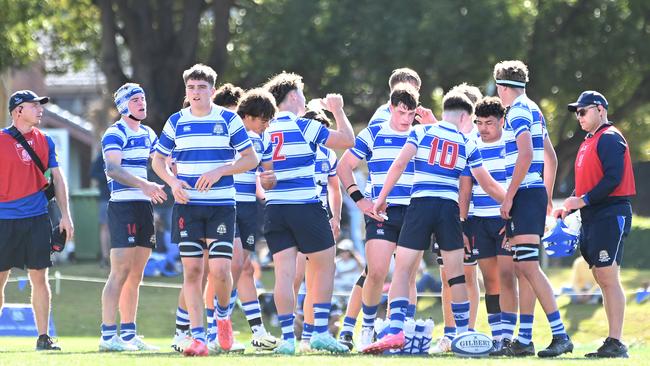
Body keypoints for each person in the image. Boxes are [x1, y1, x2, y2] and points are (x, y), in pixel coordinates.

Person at [362, 91, 506, 354]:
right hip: (448, 210)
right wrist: (512, 203)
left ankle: (395, 330)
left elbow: (399, 164)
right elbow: (484, 183)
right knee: (456, 276)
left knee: (404, 270)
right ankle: (462, 335)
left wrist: (381, 198)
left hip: (420, 205)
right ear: (465, 116)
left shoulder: (420, 132)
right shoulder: (467, 142)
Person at [152, 64, 259, 356]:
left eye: (201, 87)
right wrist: (172, 183)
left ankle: (222, 319)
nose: (196, 92)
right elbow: (158, 161)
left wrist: (221, 170)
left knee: (221, 271)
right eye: (191, 87)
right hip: (188, 206)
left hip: (222, 205)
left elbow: (250, 159)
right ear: (186, 90)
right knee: (193, 271)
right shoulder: (175, 121)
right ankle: (197, 337)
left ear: (212, 90)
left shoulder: (228, 120)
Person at [262, 71, 354, 354]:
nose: (304, 98)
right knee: (326, 265)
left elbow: (261, 171)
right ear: (292, 96)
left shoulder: (265, 128)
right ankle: (317, 333)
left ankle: (288, 339)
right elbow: (347, 140)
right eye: (301, 93)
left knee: (284, 276)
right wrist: (337, 110)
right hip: (305, 205)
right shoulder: (304, 126)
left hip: (275, 208)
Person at [338, 68, 425, 350]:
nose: (406, 117)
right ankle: (366, 328)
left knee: (407, 274)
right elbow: (344, 167)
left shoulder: (424, 130)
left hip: (414, 211)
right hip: (381, 211)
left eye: (411, 111)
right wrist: (360, 200)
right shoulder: (375, 130)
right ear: (391, 104)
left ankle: (403, 332)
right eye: (401, 111)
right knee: (375, 271)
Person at [494, 60, 572, 358]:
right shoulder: (534, 109)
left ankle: (560, 334)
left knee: (527, 266)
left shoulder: (516, 112)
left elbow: (526, 154)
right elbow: (550, 157)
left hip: (525, 194)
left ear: (502, 87)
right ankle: (524, 338)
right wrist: (547, 194)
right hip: (533, 192)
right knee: (522, 266)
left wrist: (510, 195)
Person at [554, 90, 635, 358]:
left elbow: (613, 178)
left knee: (608, 276)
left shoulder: (610, 137)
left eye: (583, 111)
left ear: (600, 109)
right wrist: (569, 207)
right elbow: (585, 183)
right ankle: (612, 341)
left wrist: (584, 200)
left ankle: (616, 342)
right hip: (594, 214)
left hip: (610, 212)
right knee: (601, 276)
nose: (578, 117)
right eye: (576, 112)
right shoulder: (589, 141)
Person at [0, 90, 74, 351]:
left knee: (39, 278)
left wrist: (66, 216)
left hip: (37, 218)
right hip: (3, 219)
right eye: (34, 105)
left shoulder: (45, 140)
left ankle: (43, 338)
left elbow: (58, 178)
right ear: (18, 110)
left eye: (40, 105)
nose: (40, 109)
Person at [99, 83, 167, 352]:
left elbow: (161, 163)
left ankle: (128, 335)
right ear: (124, 105)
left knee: (136, 274)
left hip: (143, 207)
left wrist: (175, 178)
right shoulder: (114, 133)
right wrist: (145, 185)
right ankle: (107, 336)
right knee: (120, 271)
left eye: (144, 98)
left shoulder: (149, 133)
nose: (143, 103)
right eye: (136, 99)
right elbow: (113, 169)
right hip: (123, 207)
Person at [457, 96, 516, 352]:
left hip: (505, 220)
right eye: (478, 122)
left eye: (489, 123)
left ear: (501, 121)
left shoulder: (511, 143)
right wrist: (462, 224)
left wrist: (514, 219)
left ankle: (510, 337)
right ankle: (496, 337)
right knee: (489, 280)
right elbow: (465, 188)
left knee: (507, 278)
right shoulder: (471, 145)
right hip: (479, 221)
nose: (483, 128)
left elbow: (514, 186)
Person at [430, 83, 483, 353]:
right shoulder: (446, 136)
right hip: (446, 215)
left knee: (468, 276)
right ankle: (449, 333)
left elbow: (469, 185)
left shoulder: (474, 142)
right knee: (447, 277)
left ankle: (467, 333)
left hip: (469, 217)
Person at [231, 88, 279, 351]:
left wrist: (270, 181)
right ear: (249, 116)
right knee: (234, 266)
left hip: (250, 207)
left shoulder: (263, 140)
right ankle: (219, 328)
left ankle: (257, 331)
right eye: (264, 119)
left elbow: (266, 176)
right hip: (227, 204)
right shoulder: (230, 134)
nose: (266, 125)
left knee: (245, 268)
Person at [90, 150, 112, 268]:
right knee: (104, 227)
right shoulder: (100, 157)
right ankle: (105, 257)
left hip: (120, 196)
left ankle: (115, 257)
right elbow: (93, 173)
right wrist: (108, 174)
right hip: (105, 197)